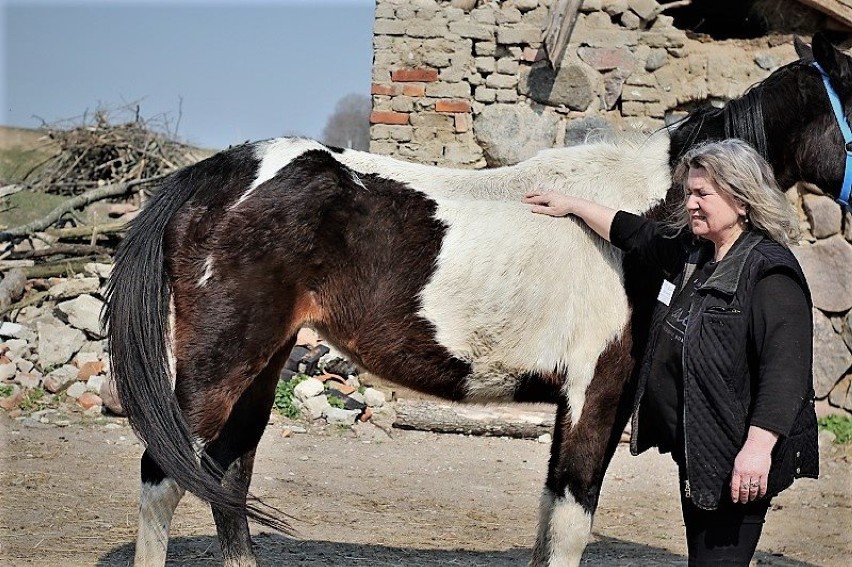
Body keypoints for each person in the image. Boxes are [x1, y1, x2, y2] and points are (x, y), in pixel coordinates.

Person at [523, 139, 819, 566]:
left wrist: (757, 449)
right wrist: (572, 204)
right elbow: (637, 234)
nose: (691, 204)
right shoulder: (696, 253)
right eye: (689, 193)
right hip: (700, 448)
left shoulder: (770, 272)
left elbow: (785, 374)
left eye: (703, 194)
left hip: (737, 454)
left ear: (741, 201)